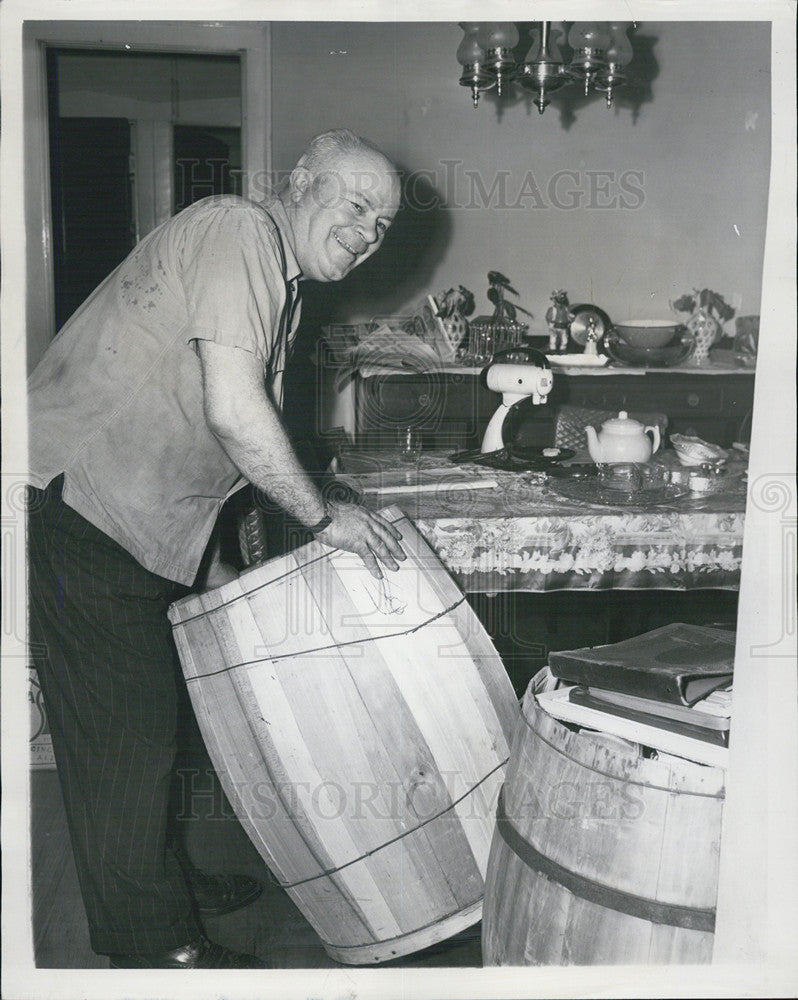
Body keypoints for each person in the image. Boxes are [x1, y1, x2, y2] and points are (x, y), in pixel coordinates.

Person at [26, 128, 406, 969]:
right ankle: (154, 948)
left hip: (145, 516)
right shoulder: (241, 228)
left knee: (162, 713)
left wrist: (222, 567)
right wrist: (322, 520)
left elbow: (218, 435)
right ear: (300, 182)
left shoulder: (285, 279)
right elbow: (234, 410)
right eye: (355, 205)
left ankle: (165, 881)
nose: (368, 233)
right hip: (85, 504)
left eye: (382, 224)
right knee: (127, 735)